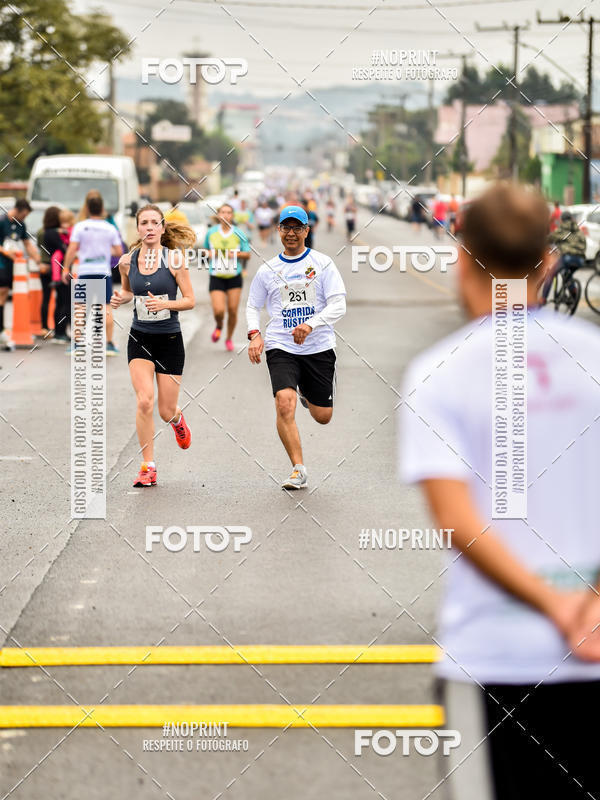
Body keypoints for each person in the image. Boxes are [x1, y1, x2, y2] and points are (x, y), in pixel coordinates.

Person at [399, 183, 600, 800]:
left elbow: (458, 522)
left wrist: (552, 604)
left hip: (496, 655)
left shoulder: (439, 372)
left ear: (461, 257)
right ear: (548, 262)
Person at [246, 205, 347, 490]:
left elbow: (339, 304)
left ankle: (306, 392)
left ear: (306, 230)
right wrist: (254, 334)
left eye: (297, 228)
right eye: (286, 228)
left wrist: (311, 324)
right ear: (278, 230)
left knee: (322, 416)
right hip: (281, 345)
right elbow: (253, 306)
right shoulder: (268, 270)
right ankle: (298, 469)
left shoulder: (322, 264)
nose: (291, 233)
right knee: (284, 403)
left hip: (318, 347)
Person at [110, 204, 196, 488]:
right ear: (137, 228)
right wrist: (121, 298)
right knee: (145, 400)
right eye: (144, 222)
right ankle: (148, 466)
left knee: (165, 410)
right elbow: (128, 291)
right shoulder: (127, 261)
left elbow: (190, 300)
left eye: (154, 223)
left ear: (162, 228)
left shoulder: (175, 260)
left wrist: (165, 304)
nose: (149, 227)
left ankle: (177, 420)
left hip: (170, 340)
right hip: (140, 338)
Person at [63, 193, 123, 355]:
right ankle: (109, 344)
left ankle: (76, 344)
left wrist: (66, 268)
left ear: (88, 208)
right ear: (102, 208)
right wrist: (105, 252)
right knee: (106, 307)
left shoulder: (80, 226)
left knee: (81, 307)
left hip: (85, 271)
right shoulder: (110, 228)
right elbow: (119, 251)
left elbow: (72, 249)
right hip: (103, 272)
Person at [202, 203, 251, 351]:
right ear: (218, 215)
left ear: (232, 216)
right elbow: (204, 251)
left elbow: (247, 254)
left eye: (229, 212)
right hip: (216, 276)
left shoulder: (239, 233)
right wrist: (208, 253)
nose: (226, 215)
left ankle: (229, 338)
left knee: (233, 310)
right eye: (223, 212)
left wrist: (235, 254)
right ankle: (219, 325)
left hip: (234, 276)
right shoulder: (211, 232)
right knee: (219, 311)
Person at [0, 199, 40, 350]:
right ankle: (1, 329)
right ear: (17, 210)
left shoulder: (21, 225)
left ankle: (2, 329)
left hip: (13, 265)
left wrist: (36, 257)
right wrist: (6, 252)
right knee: (2, 292)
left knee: (5, 294)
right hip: (2, 262)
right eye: (23, 215)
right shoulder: (2, 221)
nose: (24, 218)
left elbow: (27, 243)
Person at [541, 210, 586, 303]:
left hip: (567, 258)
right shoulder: (578, 230)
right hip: (581, 260)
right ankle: (574, 296)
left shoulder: (561, 229)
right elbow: (584, 244)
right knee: (567, 275)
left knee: (550, 274)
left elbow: (549, 239)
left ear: (561, 220)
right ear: (572, 218)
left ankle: (543, 298)